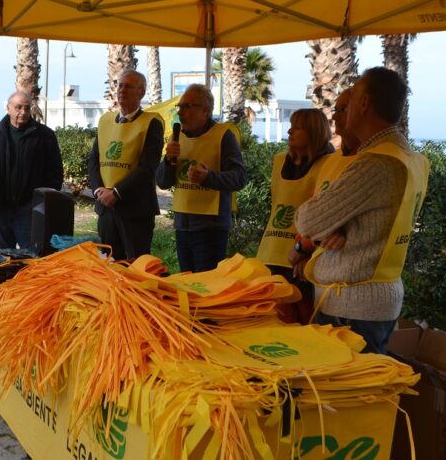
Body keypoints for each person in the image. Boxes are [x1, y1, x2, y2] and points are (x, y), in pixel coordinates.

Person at [294, 67, 430, 353]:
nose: (340, 112)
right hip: (377, 297)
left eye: (351, 99)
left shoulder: (375, 164)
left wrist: (326, 225)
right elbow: (378, 219)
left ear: (365, 103)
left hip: (352, 305)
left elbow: (307, 219)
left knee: (341, 393)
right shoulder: (411, 158)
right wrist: (338, 226)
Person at [156, 83, 247, 273]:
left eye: (187, 107)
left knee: (205, 288)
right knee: (187, 283)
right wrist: (168, 160)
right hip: (182, 226)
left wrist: (208, 177)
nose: (180, 112)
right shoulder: (177, 136)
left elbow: (239, 178)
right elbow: (163, 182)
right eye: (179, 107)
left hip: (211, 228)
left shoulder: (223, 136)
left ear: (205, 110)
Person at [256, 108, 333, 322]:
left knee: (305, 320)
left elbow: (324, 216)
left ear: (314, 132)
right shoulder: (279, 160)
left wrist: (306, 251)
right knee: (275, 318)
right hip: (270, 253)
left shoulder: (328, 164)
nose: (290, 132)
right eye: (291, 126)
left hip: (302, 257)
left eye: (297, 128)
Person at [87, 70, 164, 261]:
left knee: (135, 267)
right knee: (109, 265)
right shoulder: (105, 121)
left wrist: (117, 193)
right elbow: (93, 160)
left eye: (128, 86)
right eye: (120, 85)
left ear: (141, 93)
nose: (122, 90)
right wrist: (98, 190)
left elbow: (148, 167)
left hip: (135, 210)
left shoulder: (151, 123)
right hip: (106, 208)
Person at [0, 90, 63, 251]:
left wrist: (40, 204)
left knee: (32, 260)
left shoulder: (45, 136)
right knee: (2, 261)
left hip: (30, 212)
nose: (23, 112)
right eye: (18, 107)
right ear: (8, 108)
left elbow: (55, 173)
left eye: (27, 108)